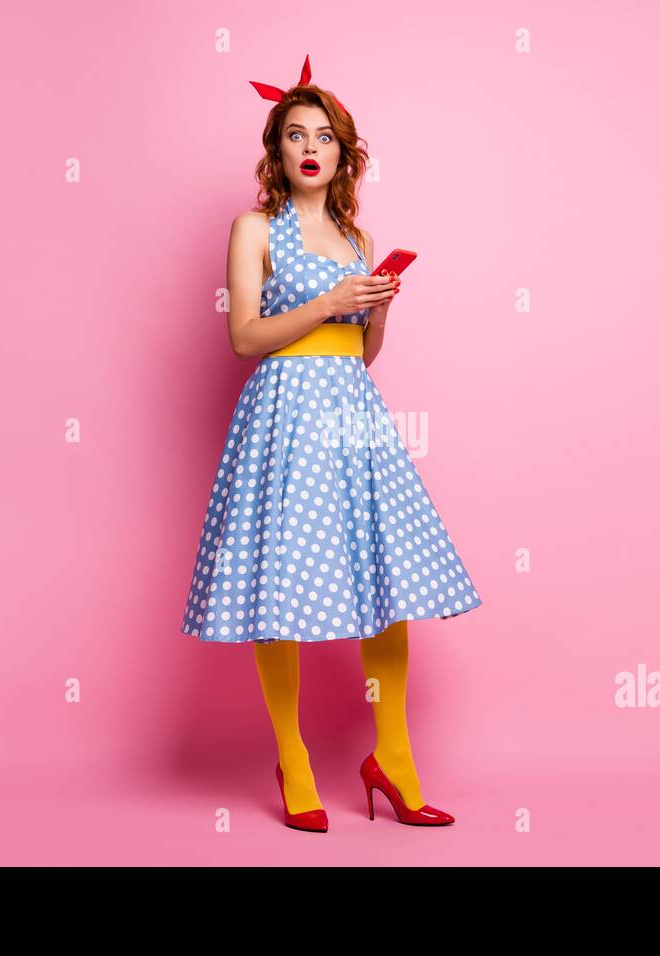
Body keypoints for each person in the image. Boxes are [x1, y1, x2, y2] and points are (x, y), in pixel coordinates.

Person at [179, 55, 482, 832]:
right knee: (279, 582)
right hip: (283, 412)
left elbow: (362, 352)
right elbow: (246, 337)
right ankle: (294, 756)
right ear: (275, 151)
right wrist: (330, 300)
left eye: (324, 136)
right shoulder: (252, 229)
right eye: (293, 135)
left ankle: (394, 756)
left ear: (345, 155)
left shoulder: (356, 235)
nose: (309, 147)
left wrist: (376, 306)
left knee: (388, 580)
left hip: (352, 409)